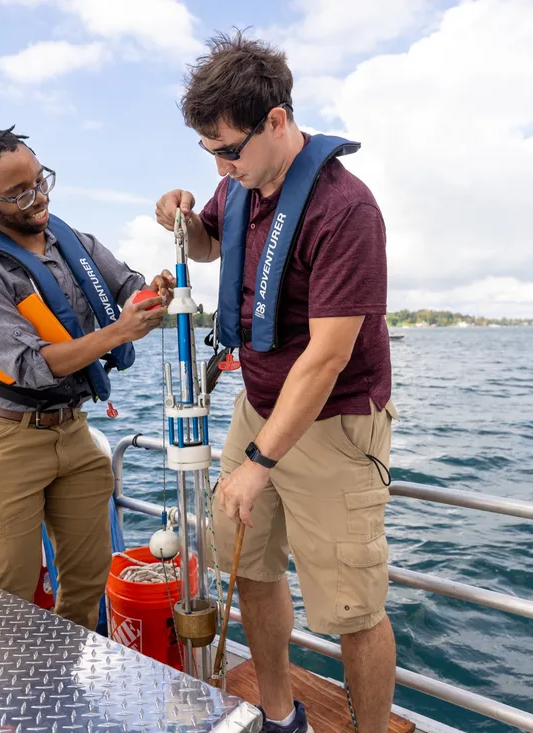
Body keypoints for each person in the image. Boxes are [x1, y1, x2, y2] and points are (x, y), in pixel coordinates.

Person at [155, 33, 398, 733]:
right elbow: (205, 241)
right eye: (209, 154)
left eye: (229, 149)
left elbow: (326, 358)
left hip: (335, 421)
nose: (221, 166)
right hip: (257, 403)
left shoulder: (344, 209)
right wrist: (174, 216)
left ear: (278, 122)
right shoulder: (239, 185)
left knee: (353, 608)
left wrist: (260, 462)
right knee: (252, 570)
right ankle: (281, 713)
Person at [0, 125, 176, 631]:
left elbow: (128, 286)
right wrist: (117, 333)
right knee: (4, 587)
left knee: (88, 578)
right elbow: (26, 366)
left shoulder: (77, 243)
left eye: (41, 181)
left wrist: (153, 291)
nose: (38, 198)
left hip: (73, 431)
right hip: (8, 439)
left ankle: (67, 695)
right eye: (18, 192)